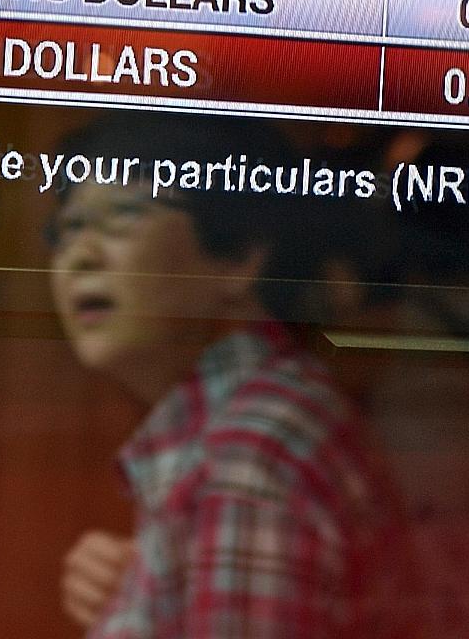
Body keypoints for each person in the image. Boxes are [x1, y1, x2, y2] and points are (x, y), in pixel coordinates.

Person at [46, 113, 417, 638]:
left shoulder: (249, 455)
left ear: (239, 255)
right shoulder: (242, 431)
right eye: (67, 229)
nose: (80, 256)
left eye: (124, 215)